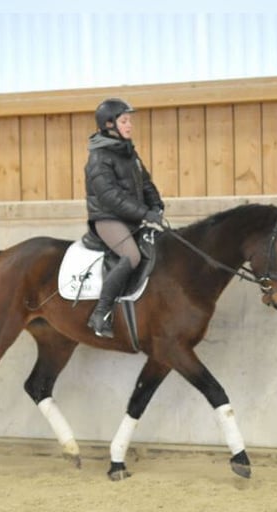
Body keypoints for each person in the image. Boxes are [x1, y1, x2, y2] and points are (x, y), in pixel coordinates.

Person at [84, 97, 165, 338]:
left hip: (131, 218)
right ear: (110, 125)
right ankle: (101, 313)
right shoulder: (98, 158)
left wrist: (156, 204)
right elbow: (110, 197)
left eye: (129, 121)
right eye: (125, 120)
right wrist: (145, 213)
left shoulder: (129, 152)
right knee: (131, 256)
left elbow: (145, 182)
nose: (130, 125)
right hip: (108, 219)